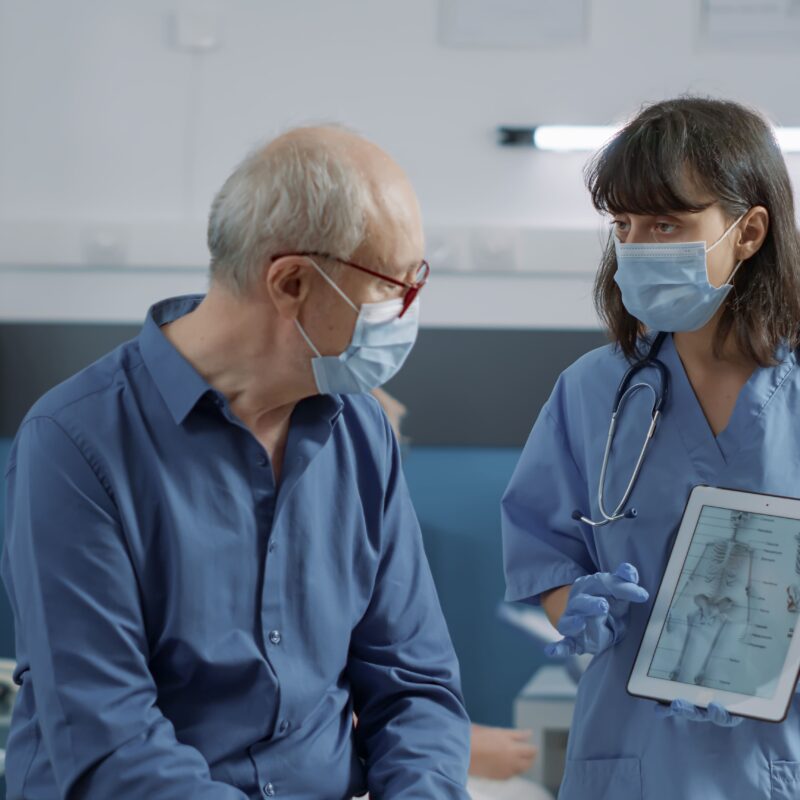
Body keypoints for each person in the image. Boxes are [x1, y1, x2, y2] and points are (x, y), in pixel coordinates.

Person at [1, 126, 471, 799]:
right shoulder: (74, 444)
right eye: (394, 285)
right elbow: (110, 742)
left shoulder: (360, 431)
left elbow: (415, 687)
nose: (407, 310)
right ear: (291, 283)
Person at [501, 97, 800, 800]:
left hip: (779, 757)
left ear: (749, 230)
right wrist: (571, 602)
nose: (638, 245)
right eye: (626, 225)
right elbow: (542, 550)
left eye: (667, 222)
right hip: (635, 758)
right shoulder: (591, 392)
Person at [370, 389, 540, 786]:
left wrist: (451, 738)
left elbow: (402, 685)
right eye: (389, 449)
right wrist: (463, 748)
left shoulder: (383, 548)